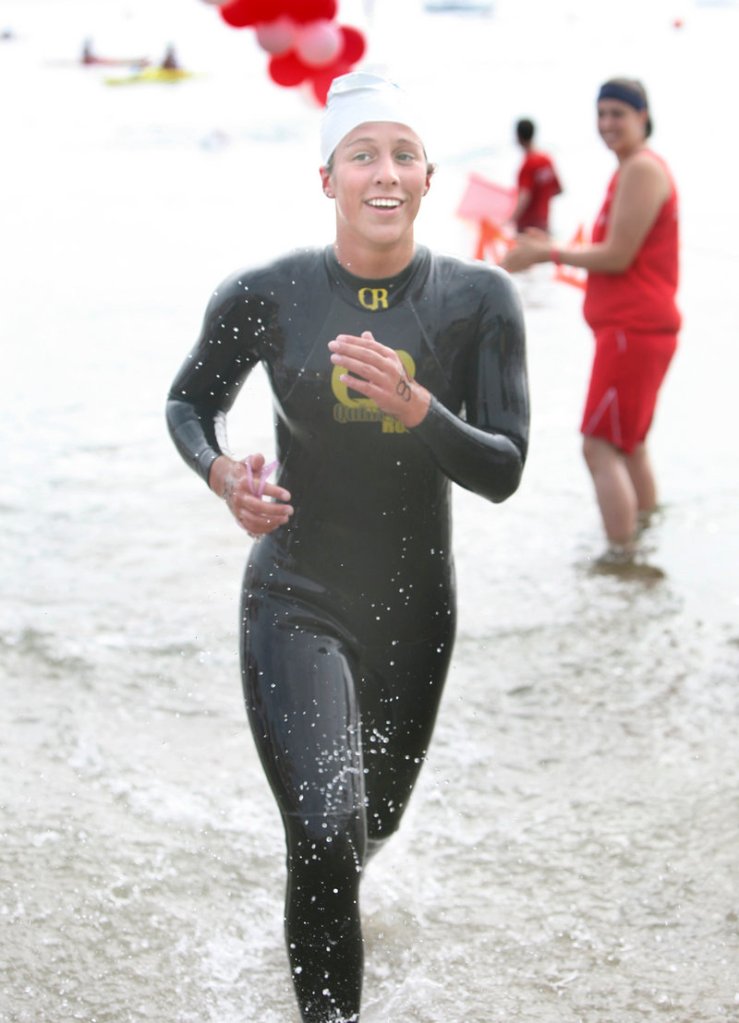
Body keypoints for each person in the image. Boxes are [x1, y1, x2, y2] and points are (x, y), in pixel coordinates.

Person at [166, 71, 529, 1022]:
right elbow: (188, 402)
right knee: (324, 830)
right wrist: (220, 474)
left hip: (415, 606)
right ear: (325, 177)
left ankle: (317, 907)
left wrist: (417, 408)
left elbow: (502, 470)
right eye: (362, 154)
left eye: (402, 154)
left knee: (365, 829)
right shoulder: (266, 293)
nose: (384, 172)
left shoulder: (478, 300)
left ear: (428, 177)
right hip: (297, 592)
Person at [503, 79, 679, 563]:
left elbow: (619, 256)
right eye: (601, 114)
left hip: (633, 330)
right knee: (630, 444)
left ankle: (622, 559)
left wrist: (548, 253)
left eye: (618, 113)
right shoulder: (632, 170)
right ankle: (645, 539)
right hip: (636, 329)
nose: (607, 124)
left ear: (643, 116)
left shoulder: (642, 168)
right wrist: (551, 248)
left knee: (598, 446)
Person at [510, 118, 563, 234]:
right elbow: (559, 189)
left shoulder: (527, 165)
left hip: (527, 228)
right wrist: (542, 195)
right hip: (544, 225)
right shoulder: (546, 160)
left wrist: (510, 220)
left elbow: (524, 198)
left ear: (518, 137)